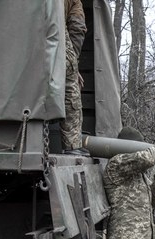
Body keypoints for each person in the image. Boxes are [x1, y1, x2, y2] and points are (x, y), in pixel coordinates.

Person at [62, 0, 88, 155]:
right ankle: (72, 146)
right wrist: (73, 65)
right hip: (56, 35)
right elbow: (77, 27)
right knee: (71, 90)